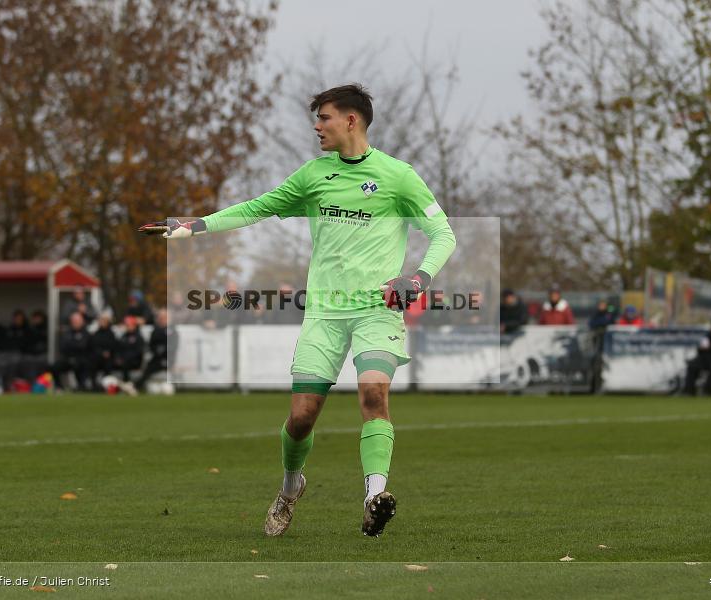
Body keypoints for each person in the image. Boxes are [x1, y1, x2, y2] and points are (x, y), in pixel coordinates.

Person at [139, 84, 456, 538]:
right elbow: (258, 208)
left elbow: (444, 234)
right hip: (324, 314)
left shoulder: (398, 176)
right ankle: (291, 488)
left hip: (376, 309)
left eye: (324, 117)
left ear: (352, 120)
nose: (317, 126)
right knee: (302, 416)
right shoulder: (312, 176)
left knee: (373, 398)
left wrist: (417, 278)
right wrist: (193, 226)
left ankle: (374, 496)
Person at [51, 312, 95, 391]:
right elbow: (63, 347)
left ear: (82, 321)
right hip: (67, 359)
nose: (75, 323)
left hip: (82, 359)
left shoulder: (87, 334)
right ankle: (59, 387)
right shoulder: (66, 333)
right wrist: (76, 345)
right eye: (74, 321)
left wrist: (73, 345)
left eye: (77, 321)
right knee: (54, 367)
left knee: (82, 365)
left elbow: (85, 347)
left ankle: (81, 386)